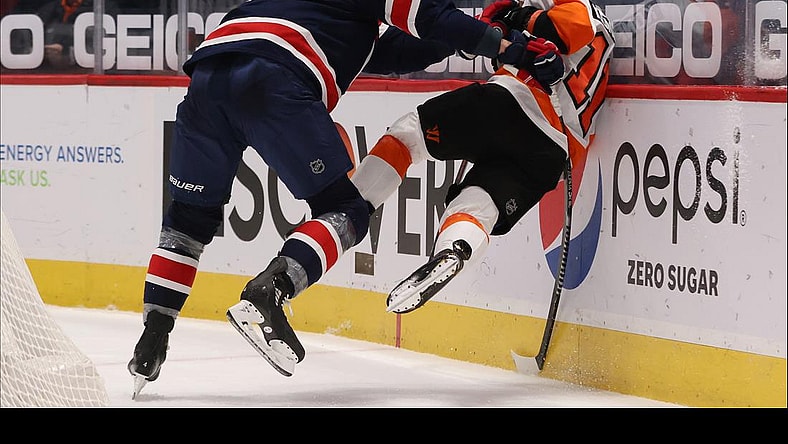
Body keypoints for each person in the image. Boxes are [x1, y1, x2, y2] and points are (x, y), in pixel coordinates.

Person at [126, 0, 538, 398]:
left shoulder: (334, 15)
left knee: (186, 221)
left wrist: (475, 33)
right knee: (347, 210)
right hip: (271, 77)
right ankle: (270, 292)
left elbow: (399, 52)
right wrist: (504, 44)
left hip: (208, 79)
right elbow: (426, 16)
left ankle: (153, 337)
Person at [348, 0, 615, 314]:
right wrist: (504, 29)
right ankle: (455, 249)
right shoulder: (593, 35)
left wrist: (516, 16)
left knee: (409, 135)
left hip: (515, 102)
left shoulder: (586, 10)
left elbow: (560, 29)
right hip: (554, 156)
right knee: (478, 202)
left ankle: (347, 210)